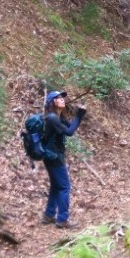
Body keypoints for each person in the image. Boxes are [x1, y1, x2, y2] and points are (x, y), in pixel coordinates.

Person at [41, 90, 86, 229]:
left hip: (51, 156)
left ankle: (49, 215)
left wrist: (77, 115)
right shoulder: (52, 118)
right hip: (54, 157)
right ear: (53, 102)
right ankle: (62, 219)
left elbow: (69, 127)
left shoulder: (57, 118)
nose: (62, 100)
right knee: (65, 186)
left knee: (56, 186)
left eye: (62, 98)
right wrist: (80, 115)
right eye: (59, 98)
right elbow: (69, 132)